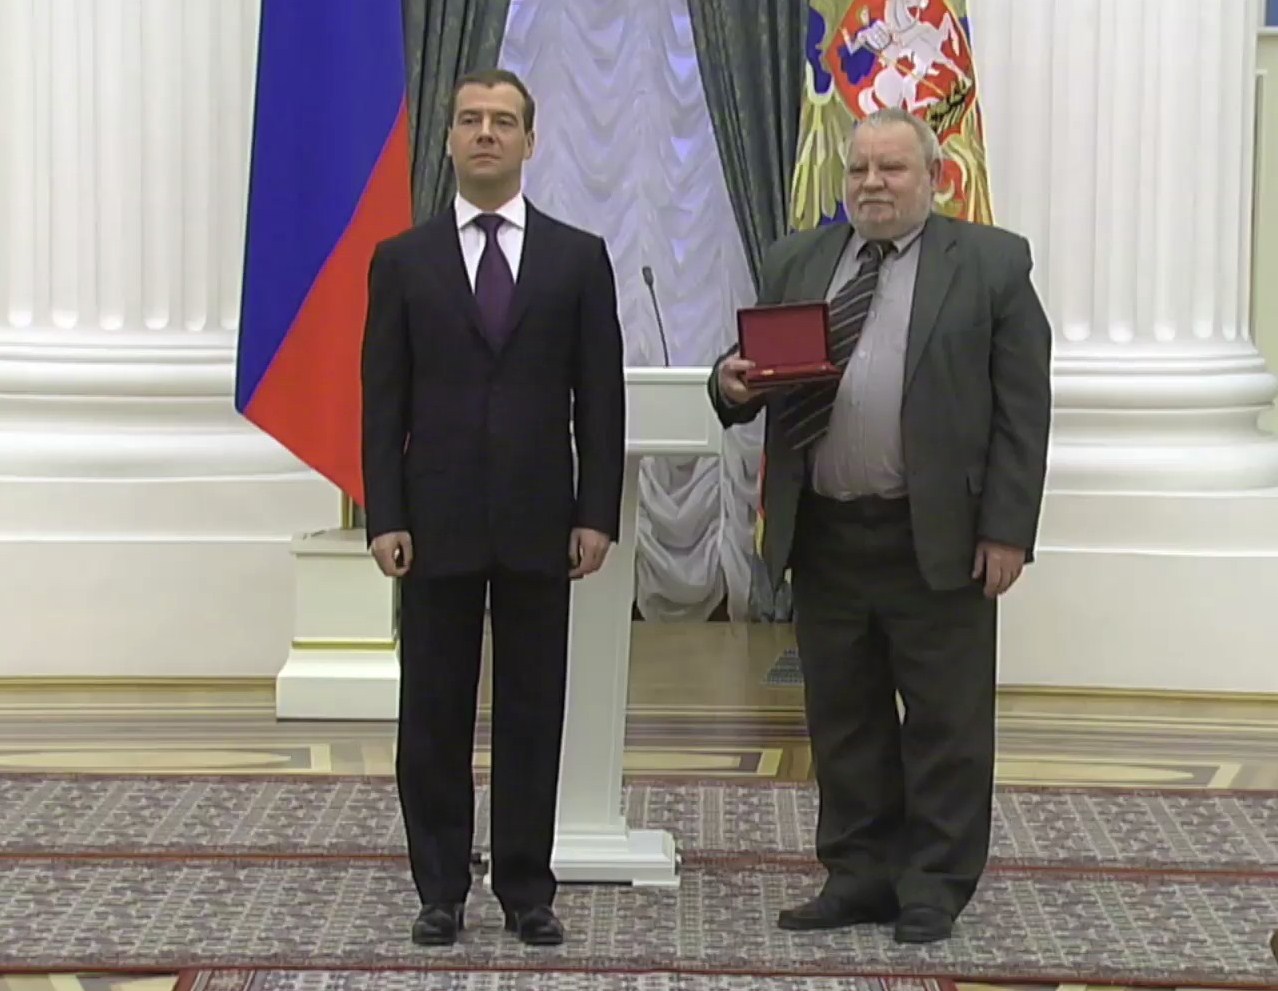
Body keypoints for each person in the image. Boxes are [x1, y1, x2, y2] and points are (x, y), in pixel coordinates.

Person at [708, 108, 1052, 944]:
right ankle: (858, 873)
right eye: (859, 169)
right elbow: (748, 379)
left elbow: (1023, 410)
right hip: (826, 533)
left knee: (945, 720)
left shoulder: (992, 265)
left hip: (937, 535)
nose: (872, 184)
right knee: (844, 717)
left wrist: (1007, 530)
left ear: (934, 176)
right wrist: (728, 383)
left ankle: (933, 883)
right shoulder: (797, 260)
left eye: (892, 169)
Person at [360, 68, 625, 948]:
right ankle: (440, 888)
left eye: (503, 121)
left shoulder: (577, 258)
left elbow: (601, 397)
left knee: (532, 711)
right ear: (448, 140)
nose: (485, 133)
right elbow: (382, 400)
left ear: (529, 141)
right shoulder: (402, 261)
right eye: (470, 119)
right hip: (432, 524)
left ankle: (525, 889)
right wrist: (384, 513)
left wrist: (596, 512)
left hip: (540, 523)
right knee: (432, 714)